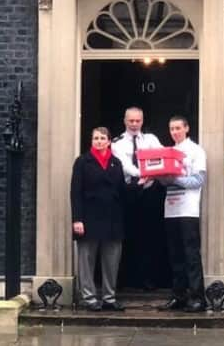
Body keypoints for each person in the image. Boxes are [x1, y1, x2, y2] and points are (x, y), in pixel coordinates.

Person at [71, 127, 126, 311]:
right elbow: (75, 192)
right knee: (87, 260)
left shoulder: (116, 163)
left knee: (111, 260)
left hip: (112, 219)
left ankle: (109, 298)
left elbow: (121, 192)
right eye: (96, 138)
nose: (99, 141)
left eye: (103, 138)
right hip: (89, 217)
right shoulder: (82, 162)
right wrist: (77, 219)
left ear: (109, 141)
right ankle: (89, 298)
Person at [156, 115, 207, 312]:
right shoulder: (169, 152)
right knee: (175, 255)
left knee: (191, 255)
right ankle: (179, 296)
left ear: (186, 128)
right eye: (171, 129)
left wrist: (174, 178)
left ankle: (197, 298)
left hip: (188, 209)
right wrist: (163, 177)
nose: (174, 132)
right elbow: (164, 180)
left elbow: (198, 181)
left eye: (178, 128)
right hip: (171, 208)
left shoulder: (196, 151)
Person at [111, 107, 164, 290]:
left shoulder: (151, 140)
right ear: (125, 121)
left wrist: (150, 175)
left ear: (142, 121)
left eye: (138, 121)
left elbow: (161, 158)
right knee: (126, 235)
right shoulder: (117, 143)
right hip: (128, 192)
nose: (134, 124)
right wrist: (143, 174)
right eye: (131, 121)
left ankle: (149, 280)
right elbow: (124, 166)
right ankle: (125, 280)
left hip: (150, 192)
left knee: (150, 236)